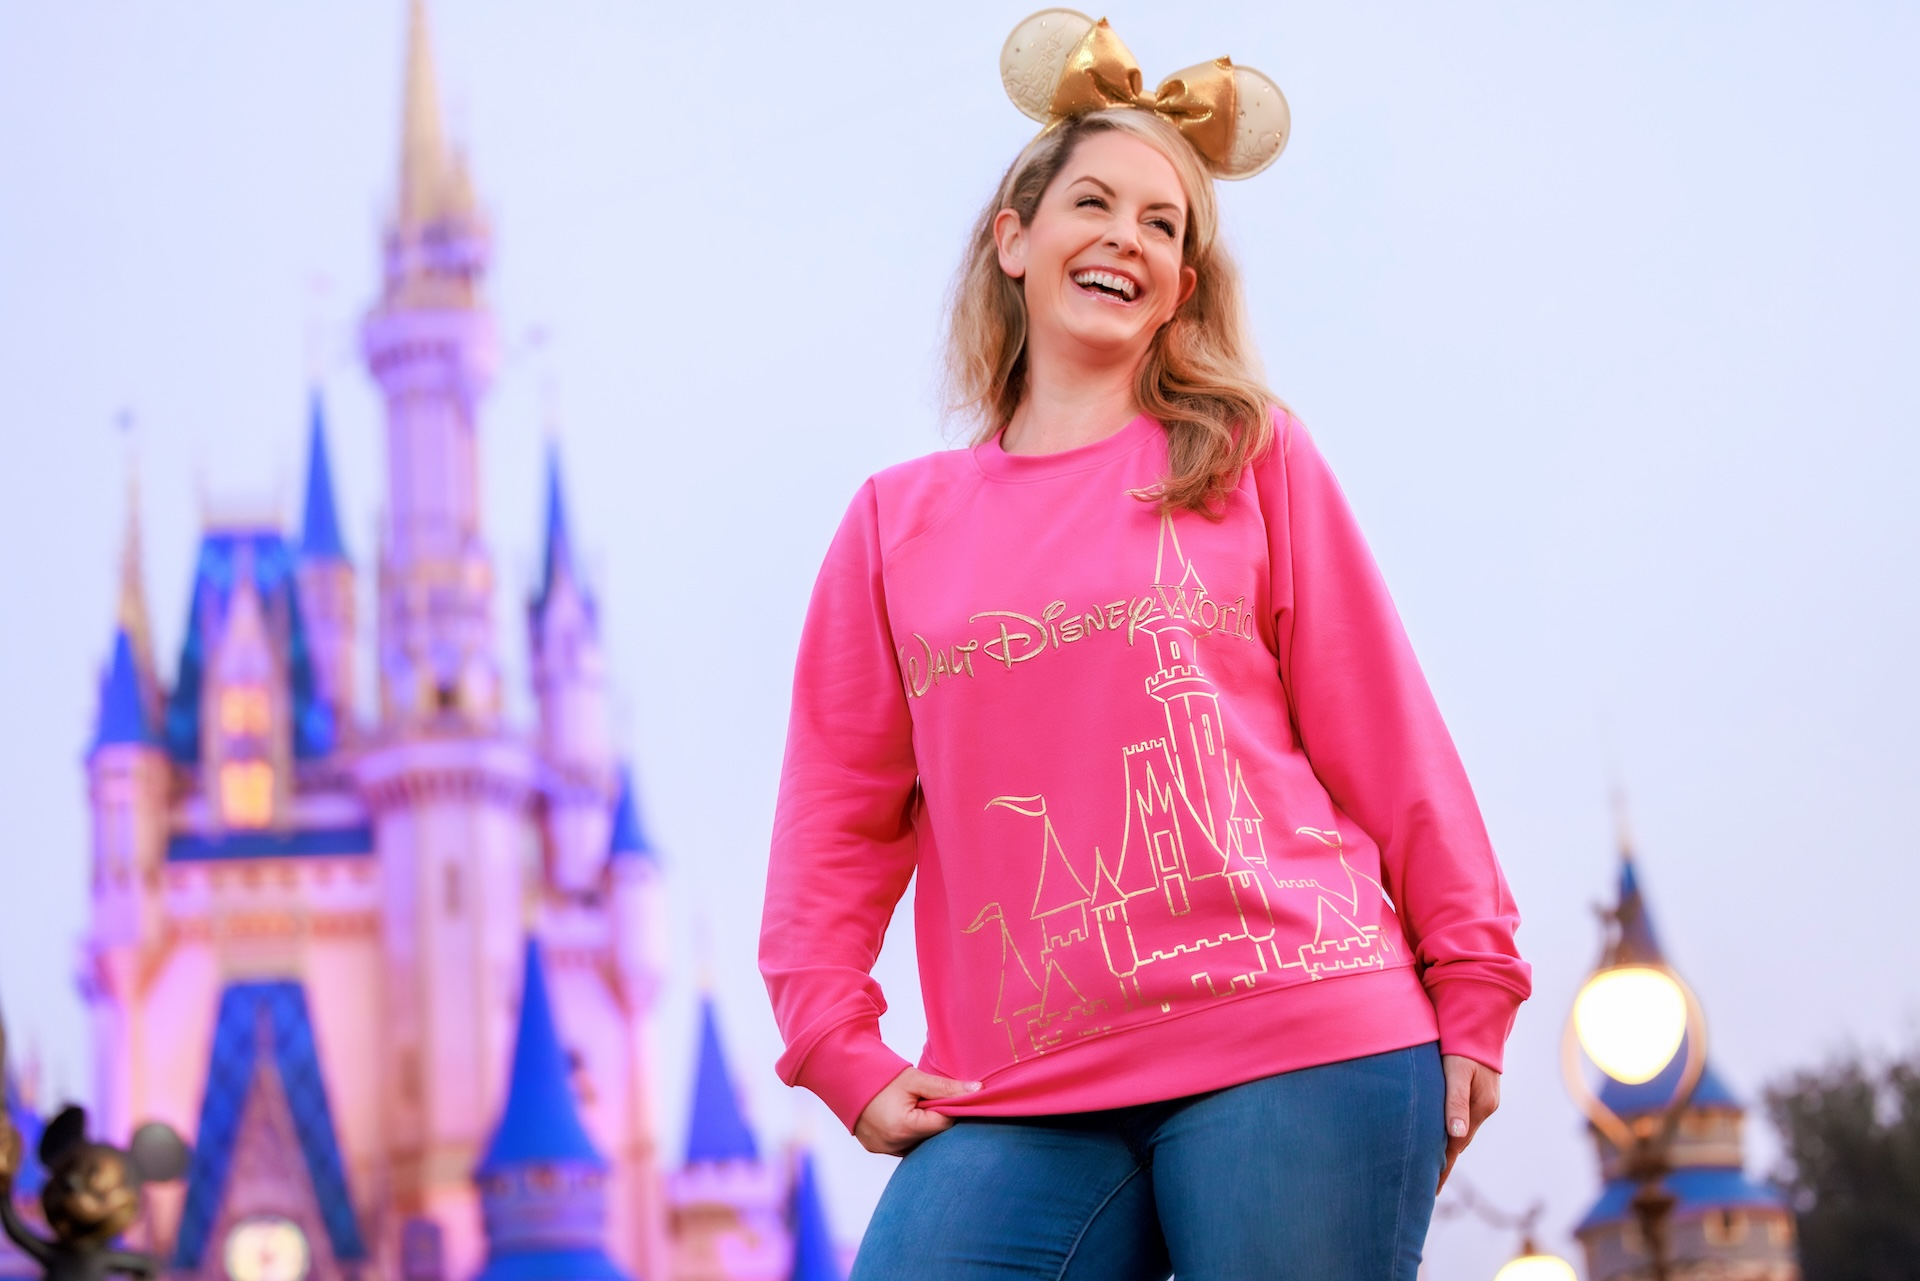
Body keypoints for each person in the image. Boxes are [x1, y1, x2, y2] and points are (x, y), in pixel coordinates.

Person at [759, 12, 1531, 1278]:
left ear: (1181, 285)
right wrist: (834, 1041)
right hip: (1019, 1082)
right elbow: (835, 814)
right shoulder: (896, 526)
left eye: (1164, 225)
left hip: (1303, 1029)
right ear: (1014, 240)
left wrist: (1475, 972)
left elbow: (1386, 733)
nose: (1128, 236)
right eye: (1095, 203)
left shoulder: (1244, 459)